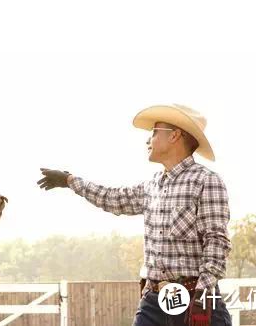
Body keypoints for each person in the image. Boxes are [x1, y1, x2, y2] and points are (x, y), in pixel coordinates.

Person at [38, 104, 233, 326]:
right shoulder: (152, 186)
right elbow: (113, 198)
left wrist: (204, 293)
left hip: (196, 297)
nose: (148, 140)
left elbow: (216, 241)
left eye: (154, 132)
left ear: (175, 135)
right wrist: (70, 181)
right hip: (154, 300)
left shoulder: (206, 181)